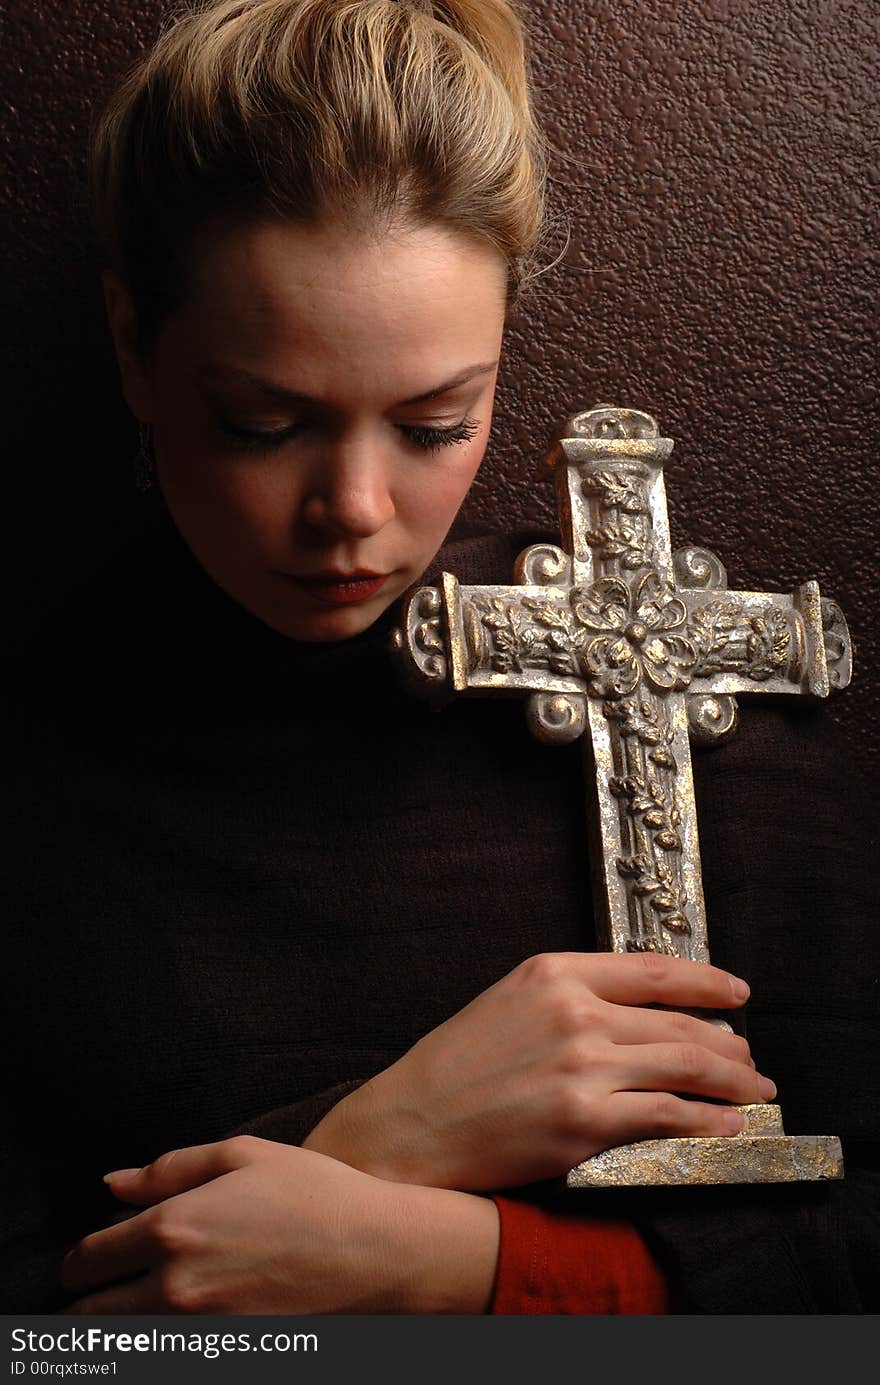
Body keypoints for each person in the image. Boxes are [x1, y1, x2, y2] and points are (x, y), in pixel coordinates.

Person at [3, 0, 877, 1315]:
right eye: (261, 421)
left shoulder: (700, 701)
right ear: (136, 344)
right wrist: (388, 1134)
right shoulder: (40, 775)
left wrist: (478, 1270)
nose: (354, 508)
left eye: (433, 423)